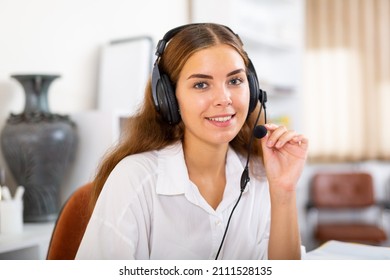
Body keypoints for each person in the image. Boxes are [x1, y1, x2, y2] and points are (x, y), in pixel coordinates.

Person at [76, 23, 308, 260]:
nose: (224, 99)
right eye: (201, 84)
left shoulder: (261, 174)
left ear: (253, 89)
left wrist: (283, 192)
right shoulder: (134, 179)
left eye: (235, 81)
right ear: (168, 98)